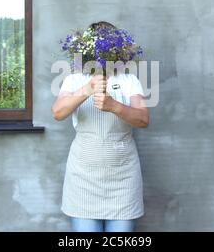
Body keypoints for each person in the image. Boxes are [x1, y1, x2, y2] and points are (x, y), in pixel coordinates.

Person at [52, 21, 149, 232]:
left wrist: (114, 105)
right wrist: (87, 89)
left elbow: (143, 119)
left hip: (123, 179)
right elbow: (58, 112)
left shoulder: (129, 80)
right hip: (83, 176)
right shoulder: (73, 79)